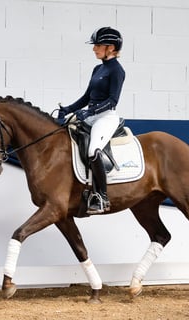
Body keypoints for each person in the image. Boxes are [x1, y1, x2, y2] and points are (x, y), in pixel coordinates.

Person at [58, 27, 125, 214]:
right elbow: (87, 96)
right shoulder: (98, 68)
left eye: (97, 45)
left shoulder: (117, 71)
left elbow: (113, 100)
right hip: (91, 114)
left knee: (93, 150)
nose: (94, 49)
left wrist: (89, 113)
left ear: (110, 47)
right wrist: (69, 109)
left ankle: (102, 196)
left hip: (106, 117)